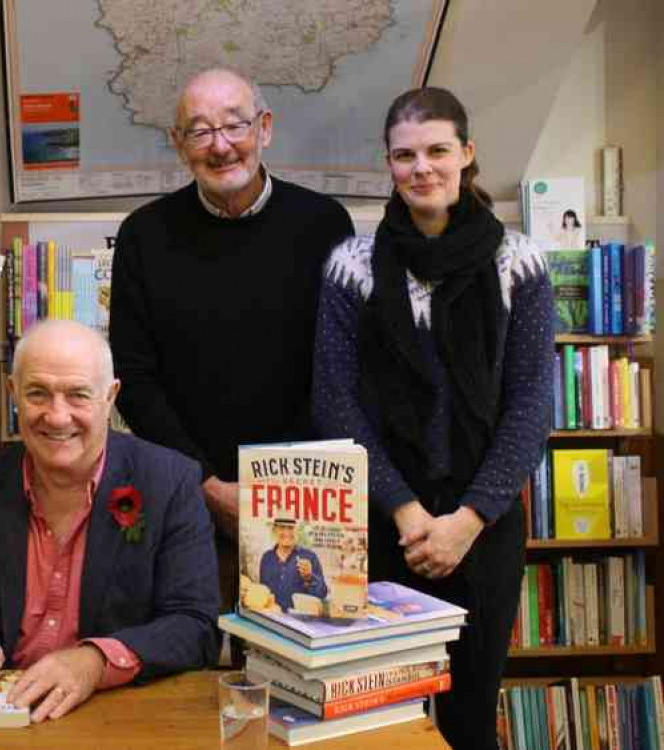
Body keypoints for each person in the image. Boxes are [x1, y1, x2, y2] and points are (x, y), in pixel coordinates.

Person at [311, 86, 553, 750]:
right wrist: (406, 511)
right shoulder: (349, 267)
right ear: (387, 164)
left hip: (485, 528)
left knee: (471, 715)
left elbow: (531, 402)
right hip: (383, 528)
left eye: (437, 150)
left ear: (466, 154)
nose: (422, 168)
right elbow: (334, 402)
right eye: (404, 155)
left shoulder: (520, 264)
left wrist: (467, 519)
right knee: (381, 718)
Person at [109, 68, 354, 613]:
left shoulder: (325, 225)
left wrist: (272, 494)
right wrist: (206, 483)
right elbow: (133, 376)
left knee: (300, 668)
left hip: (302, 501)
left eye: (234, 126)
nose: (220, 146)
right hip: (182, 495)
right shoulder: (143, 236)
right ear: (178, 144)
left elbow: (341, 369)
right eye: (199, 131)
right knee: (185, 664)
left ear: (264, 128)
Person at [0, 319, 218, 723]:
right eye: (38, 393)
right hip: (3, 718)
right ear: (13, 394)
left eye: (78, 395)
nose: (57, 418)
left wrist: (94, 661)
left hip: (120, 718)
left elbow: (196, 627)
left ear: (110, 398)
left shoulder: (171, 482)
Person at [258, 517, 327, 613]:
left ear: (297, 531)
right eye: (282, 527)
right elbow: (262, 593)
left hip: (300, 623)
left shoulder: (310, 557)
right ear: (274, 530)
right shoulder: (266, 558)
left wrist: (309, 578)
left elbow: (322, 594)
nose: (286, 533)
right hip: (272, 619)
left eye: (291, 528)